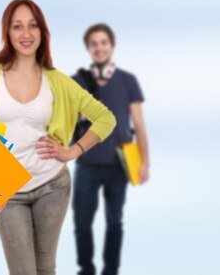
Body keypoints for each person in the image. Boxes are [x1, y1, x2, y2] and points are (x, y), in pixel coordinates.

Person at [0, 0, 116, 275]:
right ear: (7, 33)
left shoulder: (56, 81)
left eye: (32, 26)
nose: (26, 34)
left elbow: (106, 118)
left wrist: (73, 151)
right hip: (9, 192)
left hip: (52, 185)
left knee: (45, 268)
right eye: (17, 26)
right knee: (23, 271)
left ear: (42, 31)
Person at [71, 23, 149, 275]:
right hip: (87, 161)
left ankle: (111, 270)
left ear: (111, 46)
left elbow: (138, 122)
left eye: (103, 42)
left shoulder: (127, 81)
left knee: (115, 221)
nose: (99, 48)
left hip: (119, 162)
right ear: (89, 48)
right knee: (82, 221)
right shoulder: (78, 81)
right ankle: (86, 269)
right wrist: (81, 117)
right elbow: (65, 121)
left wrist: (144, 162)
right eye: (94, 44)